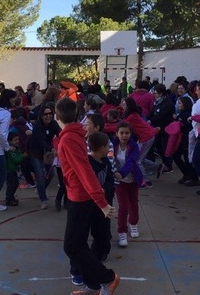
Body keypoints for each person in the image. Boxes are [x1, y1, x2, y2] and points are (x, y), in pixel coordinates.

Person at [55, 97, 120, 295]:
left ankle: (108, 278)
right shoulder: (73, 134)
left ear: (58, 117)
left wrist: (101, 202)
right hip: (78, 196)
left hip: (81, 198)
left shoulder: (69, 139)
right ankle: (93, 284)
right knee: (79, 243)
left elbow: (85, 171)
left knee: (72, 246)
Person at [70, 132, 115, 287]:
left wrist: (105, 190)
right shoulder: (87, 164)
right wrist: (97, 191)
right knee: (78, 241)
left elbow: (110, 182)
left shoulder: (106, 162)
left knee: (102, 237)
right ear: (101, 148)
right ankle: (76, 270)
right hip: (88, 207)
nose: (109, 147)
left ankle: (93, 266)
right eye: (108, 145)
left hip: (103, 208)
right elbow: (86, 184)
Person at [113, 122, 144, 247]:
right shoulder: (112, 145)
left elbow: (131, 161)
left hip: (132, 179)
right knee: (123, 207)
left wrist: (122, 172)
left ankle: (133, 224)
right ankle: (122, 232)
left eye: (127, 133)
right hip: (119, 182)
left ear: (130, 134)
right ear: (117, 134)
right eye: (121, 133)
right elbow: (109, 159)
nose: (124, 136)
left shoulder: (134, 147)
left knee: (134, 204)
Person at [27, 103, 61, 209]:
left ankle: (40, 189)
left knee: (52, 174)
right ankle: (43, 199)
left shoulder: (53, 123)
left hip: (46, 152)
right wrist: (52, 149)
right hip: (35, 153)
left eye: (50, 113)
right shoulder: (38, 126)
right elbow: (41, 141)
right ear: (41, 115)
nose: (48, 116)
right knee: (40, 175)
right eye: (45, 114)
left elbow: (61, 134)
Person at [5, 131, 24, 206]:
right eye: (15, 140)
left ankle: (11, 197)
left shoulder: (15, 148)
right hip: (9, 170)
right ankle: (9, 199)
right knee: (11, 185)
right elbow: (16, 160)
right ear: (10, 141)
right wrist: (23, 156)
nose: (17, 141)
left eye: (18, 140)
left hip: (13, 170)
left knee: (15, 184)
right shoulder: (11, 151)